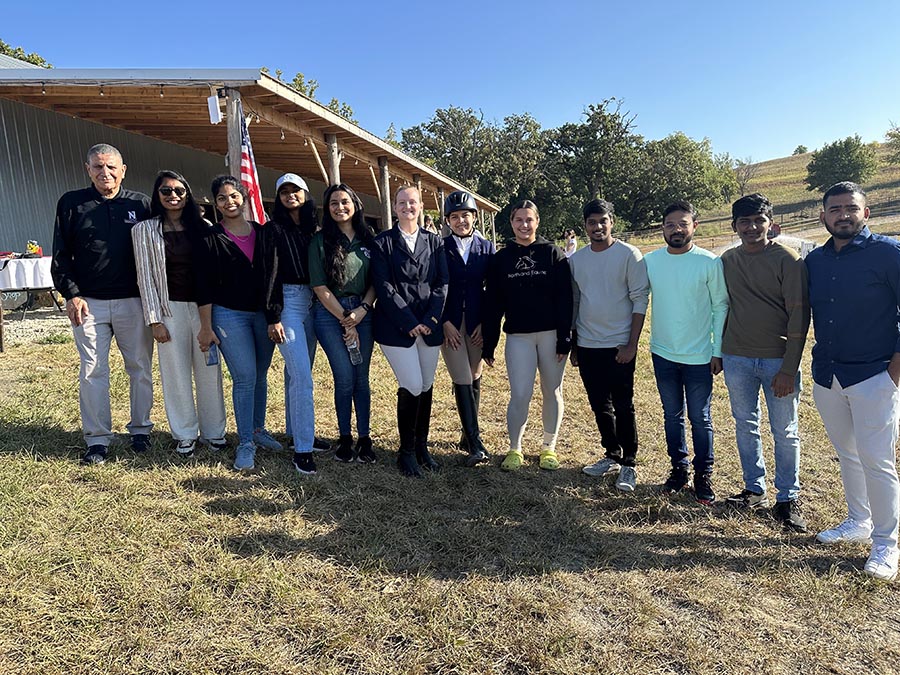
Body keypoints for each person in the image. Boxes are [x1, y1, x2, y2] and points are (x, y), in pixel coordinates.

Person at [807, 181, 900, 581]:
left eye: (851, 208)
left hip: (873, 374)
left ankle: (886, 544)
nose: (843, 215)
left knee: (878, 460)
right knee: (847, 454)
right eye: (835, 209)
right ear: (823, 216)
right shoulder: (815, 260)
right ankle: (858, 521)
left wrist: (893, 372)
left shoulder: (889, 254)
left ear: (866, 213)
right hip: (828, 375)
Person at [51, 143, 153, 464]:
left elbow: (159, 253)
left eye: (111, 167)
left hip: (133, 303)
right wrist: (71, 294)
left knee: (140, 369)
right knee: (92, 371)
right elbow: (60, 255)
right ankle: (97, 440)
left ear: (123, 170)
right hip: (88, 304)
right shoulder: (71, 204)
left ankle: (141, 431)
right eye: (97, 166)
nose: (104, 173)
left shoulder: (142, 204)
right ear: (88, 169)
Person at [720, 193, 810, 531]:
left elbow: (799, 315)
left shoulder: (788, 261)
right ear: (735, 226)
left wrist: (788, 368)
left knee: (785, 431)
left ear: (771, 223)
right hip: (737, 357)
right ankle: (754, 490)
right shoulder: (728, 260)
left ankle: (787, 498)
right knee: (745, 425)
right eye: (744, 221)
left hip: (777, 361)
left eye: (759, 220)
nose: (752, 227)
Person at [131, 170, 227, 458]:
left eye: (179, 191)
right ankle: (185, 433)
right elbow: (144, 277)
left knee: (209, 370)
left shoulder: (205, 226)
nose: (173, 196)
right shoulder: (143, 230)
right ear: (157, 195)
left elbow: (213, 273)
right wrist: (154, 320)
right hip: (167, 308)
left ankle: (214, 431)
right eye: (166, 191)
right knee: (175, 373)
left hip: (204, 308)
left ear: (187, 194)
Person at [195, 175, 283, 472]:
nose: (229, 202)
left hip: (261, 315)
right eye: (222, 197)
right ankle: (245, 442)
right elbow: (203, 286)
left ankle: (258, 430)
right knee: (244, 377)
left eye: (234, 196)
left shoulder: (263, 232)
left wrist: (274, 316)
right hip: (228, 314)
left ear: (244, 198)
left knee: (259, 375)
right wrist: (206, 327)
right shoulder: (210, 237)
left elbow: (272, 277)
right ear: (215, 203)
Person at [644, 201, 728, 504]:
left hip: (699, 357)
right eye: (670, 224)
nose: (676, 229)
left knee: (700, 417)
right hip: (663, 353)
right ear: (662, 228)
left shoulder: (709, 262)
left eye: (682, 223)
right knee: (671, 415)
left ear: (695, 225)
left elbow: (721, 306)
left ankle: (703, 474)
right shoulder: (651, 261)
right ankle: (678, 470)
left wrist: (717, 350)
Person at [482, 200, 573, 472]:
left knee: (552, 391)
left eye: (529, 220)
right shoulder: (501, 259)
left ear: (537, 222)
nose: (524, 225)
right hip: (519, 336)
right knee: (520, 393)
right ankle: (515, 448)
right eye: (518, 220)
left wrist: (564, 337)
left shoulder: (553, 254)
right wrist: (489, 342)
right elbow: (493, 302)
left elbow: (565, 298)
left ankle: (549, 447)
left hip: (550, 335)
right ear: (511, 223)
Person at [571, 199, 648, 492]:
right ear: (585, 226)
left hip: (619, 345)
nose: (597, 227)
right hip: (589, 345)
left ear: (611, 222)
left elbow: (640, 298)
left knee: (623, 405)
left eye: (603, 221)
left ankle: (629, 463)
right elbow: (577, 303)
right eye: (592, 222)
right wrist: (576, 344)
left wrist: (631, 344)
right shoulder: (577, 260)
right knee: (599, 404)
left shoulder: (629, 255)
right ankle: (611, 454)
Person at [371, 186, 448, 477]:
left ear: (421, 206)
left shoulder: (434, 242)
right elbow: (384, 286)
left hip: (429, 326)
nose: (407, 207)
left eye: (412, 202)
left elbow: (442, 282)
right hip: (396, 327)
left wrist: (430, 318)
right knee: (413, 384)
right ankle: (404, 452)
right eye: (402, 202)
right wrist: (408, 320)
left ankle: (421, 447)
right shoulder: (383, 243)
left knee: (426, 386)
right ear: (394, 207)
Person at [309, 184, 378, 464]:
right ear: (327, 209)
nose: (340, 207)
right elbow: (319, 286)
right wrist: (344, 319)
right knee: (345, 378)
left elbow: (376, 282)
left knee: (362, 378)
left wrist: (361, 311)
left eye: (345, 201)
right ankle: (345, 438)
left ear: (355, 204)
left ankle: (365, 438)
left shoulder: (368, 239)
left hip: (363, 312)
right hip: (329, 315)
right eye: (334, 203)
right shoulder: (319, 241)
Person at [261, 173, 320, 475]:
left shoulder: (314, 229)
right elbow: (269, 271)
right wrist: (273, 315)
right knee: (302, 378)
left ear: (305, 194)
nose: (289, 195)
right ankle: (303, 449)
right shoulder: (274, 229)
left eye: (295, 190)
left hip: (314, 302)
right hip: (287, 303)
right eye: (283, 191)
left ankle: (297, 431)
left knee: (297, 374)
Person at [440, 190, 495, 467]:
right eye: (455, 216)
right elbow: (433, 287)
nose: (461, 221)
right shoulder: (440, 247)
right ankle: (476, 443)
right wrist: (444, 321)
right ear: (448, 220)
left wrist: (485, 323)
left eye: (466, 215)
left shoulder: (486, 248)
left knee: (474, 374)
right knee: (461, 376)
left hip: (476, 322)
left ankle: (465, 432)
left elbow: (493, 290)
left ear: (474, 217)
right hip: (449, 321)